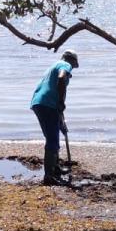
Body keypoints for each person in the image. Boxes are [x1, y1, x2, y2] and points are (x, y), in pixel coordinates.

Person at [30, 50, 78, 185]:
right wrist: (61, 102)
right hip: (48, 104)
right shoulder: (64, 65)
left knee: (53, 136)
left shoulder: (54, 65)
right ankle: (49, 176)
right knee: (52, 139)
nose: (72, 69)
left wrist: (61, 123)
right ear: (72, 60)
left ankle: (55, 169)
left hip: (39, 102)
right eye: (74, 66)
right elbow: (62, 77)